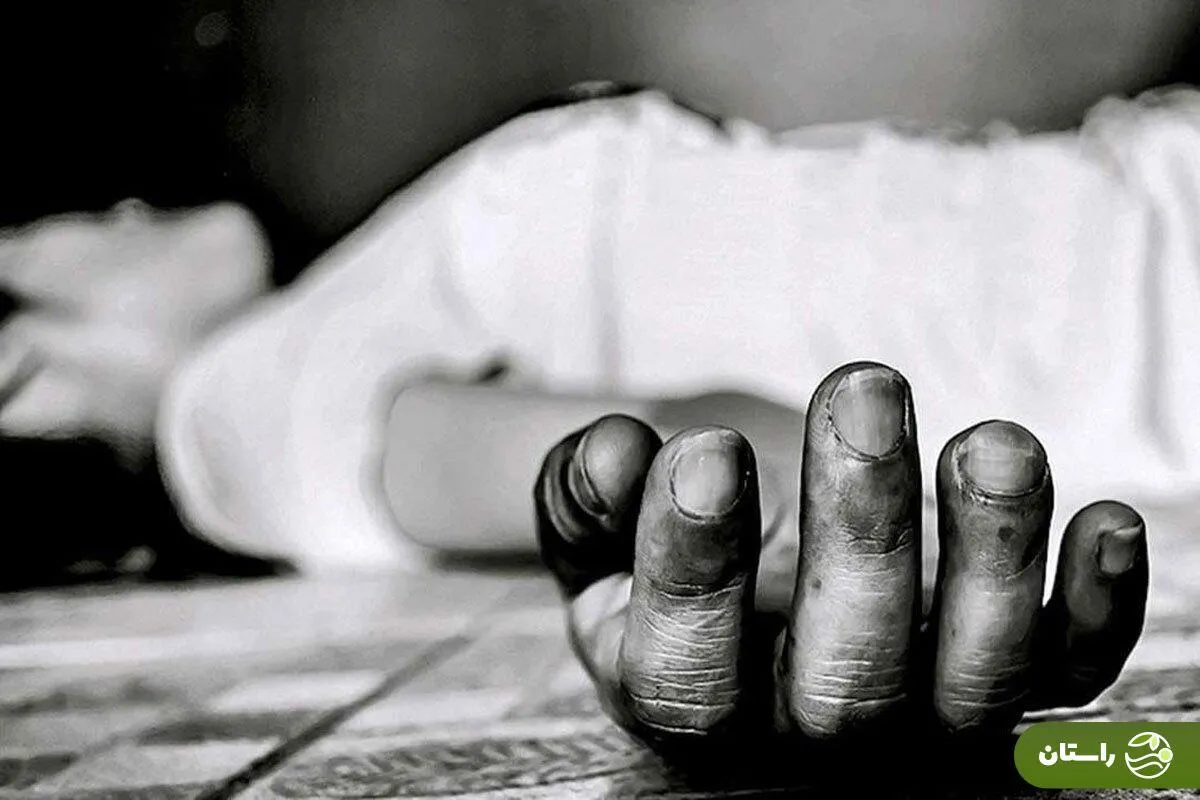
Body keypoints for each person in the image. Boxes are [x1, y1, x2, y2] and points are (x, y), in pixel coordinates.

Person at [6, 81, 1190, 746]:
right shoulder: (226, 413)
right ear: (12, 374)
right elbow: (712, 468)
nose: (118, 209)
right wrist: (809, 534)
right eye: (27, 229)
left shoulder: (315, 326)